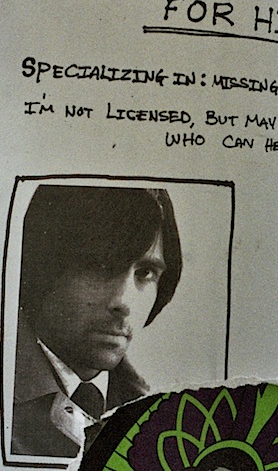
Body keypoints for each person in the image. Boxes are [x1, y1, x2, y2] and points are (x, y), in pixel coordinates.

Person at [11, 184, 182, 457]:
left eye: (145, 273)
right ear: (43, 266)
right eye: (101, 266)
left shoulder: (161, 416)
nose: (124, 303)